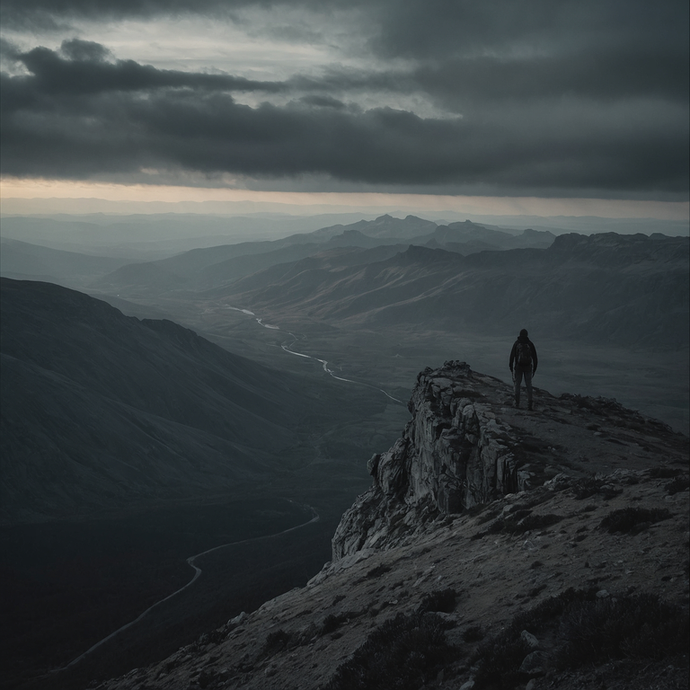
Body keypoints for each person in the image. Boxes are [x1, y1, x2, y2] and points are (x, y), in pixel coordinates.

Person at [509, 328, 538, 410]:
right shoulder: (530, 344)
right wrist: (534, 368)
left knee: (517, 384)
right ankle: (530, 403)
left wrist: (511, 367)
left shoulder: (517, 343)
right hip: (528, 367)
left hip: (518, 367)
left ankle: (517, 402)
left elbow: (512, 356)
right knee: (528, 384)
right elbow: (535, 357)